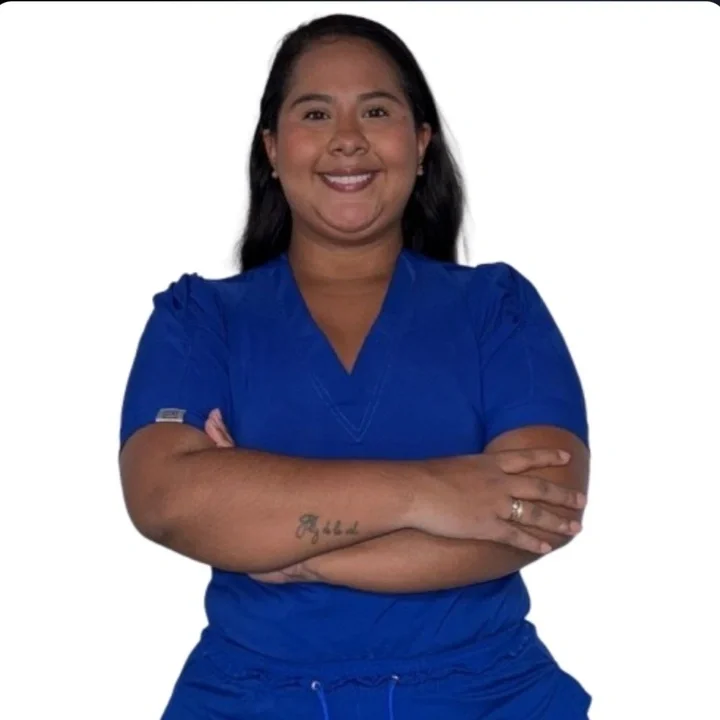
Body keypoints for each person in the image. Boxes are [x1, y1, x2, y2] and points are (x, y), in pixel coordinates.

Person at [118, 13, 592, 720]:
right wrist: (432, 493)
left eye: (376, 111)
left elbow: (541, 510)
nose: (347, 138)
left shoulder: (498, 309)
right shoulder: (199, 320)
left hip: (491, 699)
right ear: (272, 148)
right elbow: (167, 499)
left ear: (421, 143)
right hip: (251, 702)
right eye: (316, 113)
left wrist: (288, 543)